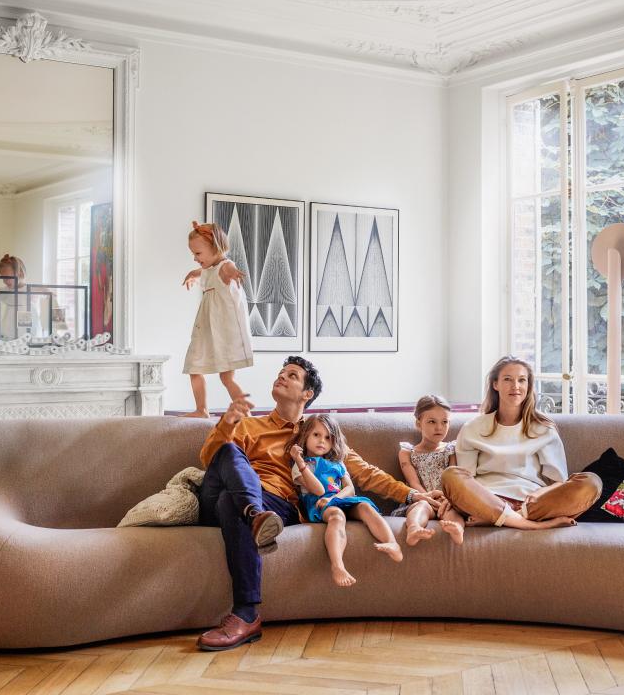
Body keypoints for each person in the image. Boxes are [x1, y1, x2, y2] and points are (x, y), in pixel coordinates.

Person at [195, 355, 443, 652]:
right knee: (228, 453)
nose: (282, 377)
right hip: (234, 499)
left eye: (292, 375)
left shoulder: (318, 435)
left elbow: (364, 472)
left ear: (307, 394)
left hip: (274, 504)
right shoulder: (250, 426)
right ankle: (254, 514)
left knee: (228, 503)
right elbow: (210, 460)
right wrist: (229, 422)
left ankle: (246, 615)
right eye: (281, 372)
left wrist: (412, 494)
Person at [441, 356, 603, 529]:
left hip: (530, 504)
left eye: (521, 380)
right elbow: (466, 478)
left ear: (528, 386)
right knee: (450, 475)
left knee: (592, 483)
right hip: (486, 501)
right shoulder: (472, 428)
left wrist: (540, 494)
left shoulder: (544, 429)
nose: (515, 386)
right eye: (507, 379)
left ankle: (509, 518)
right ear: (495, 384)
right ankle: (529, 525)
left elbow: (558, 482)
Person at [289, 415, 402, 587]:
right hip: (318, 503)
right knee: (337, 516)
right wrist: (299, 461)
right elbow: (318, 490)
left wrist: (334, 498)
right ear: (305, 436)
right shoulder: (302, 465)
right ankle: (338, 565)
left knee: (365, 506)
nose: (322, 441)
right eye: (316, 435)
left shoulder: (337, 463)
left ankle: (393, 544)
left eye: (328, 437)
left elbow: (349, 489)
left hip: (339, 499)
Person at [181, 221, 250, 417]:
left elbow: (228, 269)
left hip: (222, 332)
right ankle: (201, 409)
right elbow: (201, 272)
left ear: (215, 248)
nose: (195, 258)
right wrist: (191, 274)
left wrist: (234, 273)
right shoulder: (208, 270)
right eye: (193, 254)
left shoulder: (224, 267)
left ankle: (246, 414)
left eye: (198, 253)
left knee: (226, 377)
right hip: (205, 330)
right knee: (194, 368)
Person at [391, 395, 466, 546]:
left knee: (453, 511)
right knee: (421, 507)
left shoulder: (451, 449)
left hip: (446, 500)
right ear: (419, 423)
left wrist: (447, 498)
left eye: (444, 422)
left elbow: (453, 477)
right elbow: (413, 482)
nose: (439, 427)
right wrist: (427, 497)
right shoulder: (407, 452)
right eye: (432, 422)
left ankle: (457, 530)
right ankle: (414, 529)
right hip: (422, 498)